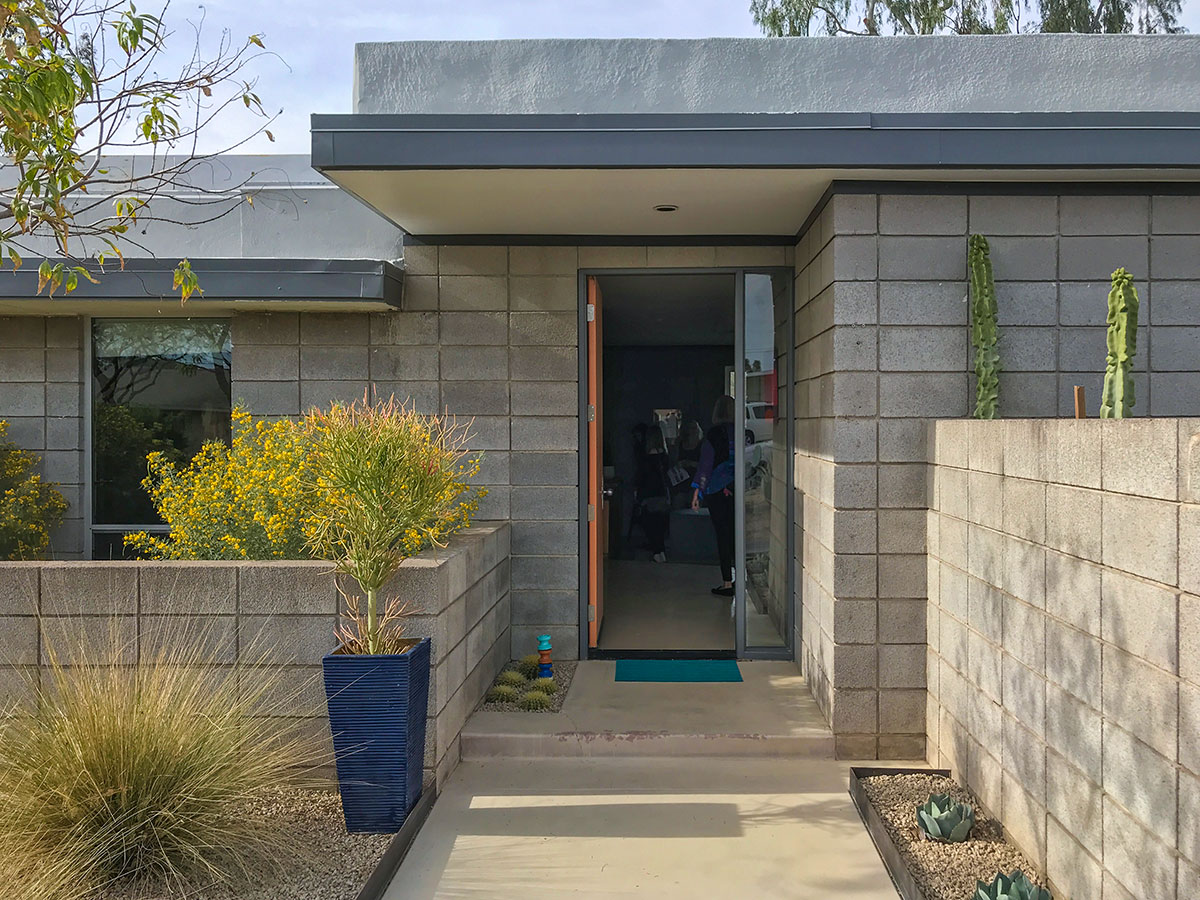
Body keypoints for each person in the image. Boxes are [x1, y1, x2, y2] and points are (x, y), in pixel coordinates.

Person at [691, 395, 736, 597]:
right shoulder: (743, 433)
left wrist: (697, 492)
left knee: (723, 535)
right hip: (739, 489)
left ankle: (727, 582)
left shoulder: (713, 434)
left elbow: (705, 467)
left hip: (717, 491)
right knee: (739, 534)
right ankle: (742, 578)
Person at [637, 424, 671, 563]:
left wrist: (639, 496)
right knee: (660, 524)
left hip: (649, 495)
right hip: (662, 493)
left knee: (649, 523)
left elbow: (642, 478)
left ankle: (657, 550)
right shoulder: (665, 456)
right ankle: (660, 550)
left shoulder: (645, 458)